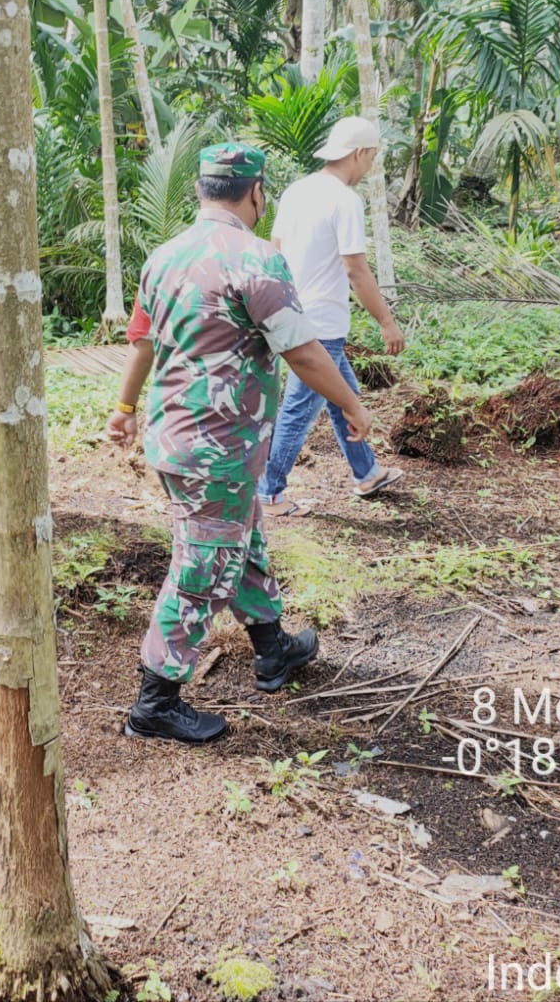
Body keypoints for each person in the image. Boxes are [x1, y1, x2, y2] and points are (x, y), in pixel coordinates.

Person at [107, 143, 376, 744]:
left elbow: (143, 345)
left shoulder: (163, 256)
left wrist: (124, 409)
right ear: (256, 193)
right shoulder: (257, 261)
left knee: (241, 533)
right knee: (202, 564)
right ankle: (156, 700)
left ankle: (272, 647)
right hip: (218, 447)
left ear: (201, 191)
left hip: (177, 437)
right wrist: (352, 404)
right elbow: (303, 350)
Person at [260, 116, 407, 519]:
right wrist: (386, 322)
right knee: (299, 407)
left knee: (345, 394)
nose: (370, 167)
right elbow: (355, 269)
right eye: (372, 158)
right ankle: (269, 492)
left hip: (291, 312)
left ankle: (367, 472)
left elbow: (274, 250)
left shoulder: (297, 191)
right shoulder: (345, 201)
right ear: (359, 153)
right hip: (321, 324)